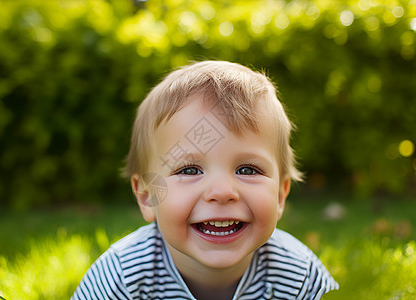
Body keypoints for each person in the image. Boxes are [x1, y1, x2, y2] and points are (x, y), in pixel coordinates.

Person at [72, 61, 339, 300]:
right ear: (147, 195)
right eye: (189, 170)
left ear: (280, 196)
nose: (222, 192)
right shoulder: (122, 279)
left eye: (247, 170)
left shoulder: (297, 274)